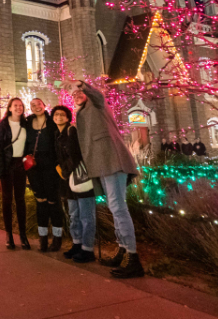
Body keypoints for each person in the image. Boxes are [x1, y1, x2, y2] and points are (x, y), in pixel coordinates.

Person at [71, 81, 143, 278]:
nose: (77, 95)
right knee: (114, 207)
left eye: (79, 93)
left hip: (112, 159)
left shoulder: (97, 103)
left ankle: (133, 257)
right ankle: (122, 250)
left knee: (118, 207)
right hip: (101, 164)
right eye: (74, 94)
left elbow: (97, 95)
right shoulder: (83, 111)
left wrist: (82, 85)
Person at [52, 105, 102, 263]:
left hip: (80, 178)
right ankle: (77, 244)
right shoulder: (56, 134)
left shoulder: (71, 131)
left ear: (68, 118)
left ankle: (87, 249)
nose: (59, 117)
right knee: (74, 215)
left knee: (86, 216)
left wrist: (66, 170)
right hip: (68, 181)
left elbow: (76, 155)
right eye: (56, 114)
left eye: (62, 115)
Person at [25, 98, 64, 252]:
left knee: (53, 202)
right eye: (32, 105)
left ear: (44, 105)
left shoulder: (52, 121)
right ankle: (42, 238)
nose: (36, 107)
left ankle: (57, 237)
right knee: (40, 201)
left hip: (51, 166)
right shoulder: (27, 123)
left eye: (38, 104)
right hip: (34, 167)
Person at [0, 98, 30, 251]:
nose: (18, 108)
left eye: (20, 106)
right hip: (7, 165)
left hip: (20, 165)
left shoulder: (26, 124)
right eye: (15, 106)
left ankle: (23, 234)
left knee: (20, 200)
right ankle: (9, 234)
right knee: (7, 200)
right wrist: (1, 170)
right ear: (9, 108)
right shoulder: (3, 125)